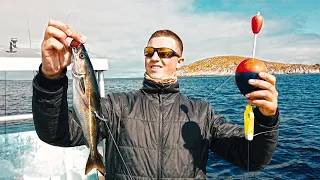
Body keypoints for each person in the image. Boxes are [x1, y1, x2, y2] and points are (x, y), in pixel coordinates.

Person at [32, 19, 280, 179]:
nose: (155, 58)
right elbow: (57, 133)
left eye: (164, 53)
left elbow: (252, 159)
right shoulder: (117, 106)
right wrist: (50, 79)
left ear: (180, 61)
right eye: (149, 52)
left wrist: (266, 120)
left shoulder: (203, 113)